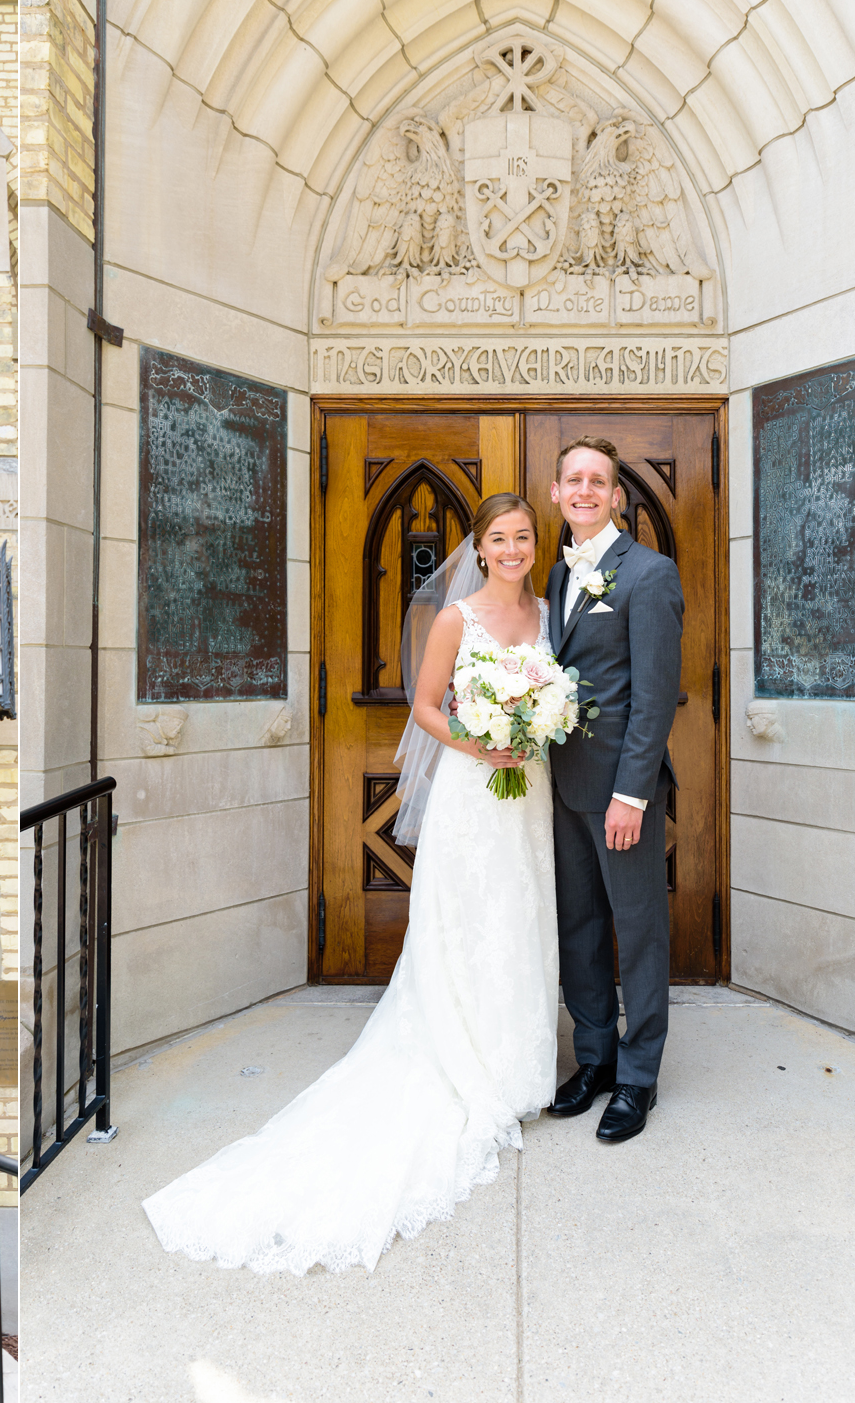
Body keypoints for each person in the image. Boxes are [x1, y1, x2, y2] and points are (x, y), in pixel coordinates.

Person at [142, 493, 559, 1273]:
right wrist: (483, 741)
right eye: (499, 538)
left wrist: (529, 727)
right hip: (476, 790)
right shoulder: (454, 619)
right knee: (469, 921)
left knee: (522, 915)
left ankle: (522, 1066)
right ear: (479, 546)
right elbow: (426, 706)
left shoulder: (546, 609)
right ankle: (468, 1059)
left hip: (527, 791)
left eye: (523, 536)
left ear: (538, 543)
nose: (512, 548)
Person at [542, 437, 683, 1143]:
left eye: (599, 481)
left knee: (638, 930)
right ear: (558, 490)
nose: (586, 490)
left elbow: (654, 697)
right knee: (581, 927)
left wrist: (632, 792)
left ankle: (637, 1075)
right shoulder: (559, 575)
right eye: (575, 479)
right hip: (564, 785)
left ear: (618, 496)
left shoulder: (650, 575)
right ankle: (593, 1058)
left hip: (622, 792)